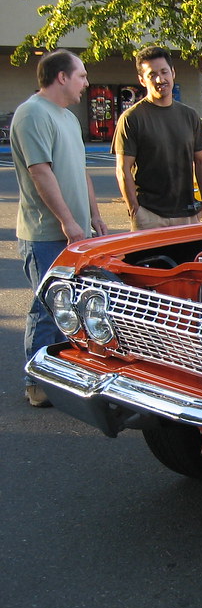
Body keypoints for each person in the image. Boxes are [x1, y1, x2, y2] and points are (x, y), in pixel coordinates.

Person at [11, 49, 109, 407]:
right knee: (47, 307)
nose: (86, 82)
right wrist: (68, 222)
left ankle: (64, 374)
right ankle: (36, 383)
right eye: (82, 75)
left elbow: (81, 171)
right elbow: (41, 172)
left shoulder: (67, 118)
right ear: (62, 77)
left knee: (74, 308)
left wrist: (94, 217)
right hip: (46, 235)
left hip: (77, 232)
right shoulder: (32, 113)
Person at [112, 46, 202, 230]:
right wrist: (135, 209)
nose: (160, 79)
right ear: (142, 80)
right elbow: (123, 169)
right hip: (149, 216)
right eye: (152, 75)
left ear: (173, 73)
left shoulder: (189, 116)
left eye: (164, 72)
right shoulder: (132, 118)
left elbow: (201, 161)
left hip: (187, 215)